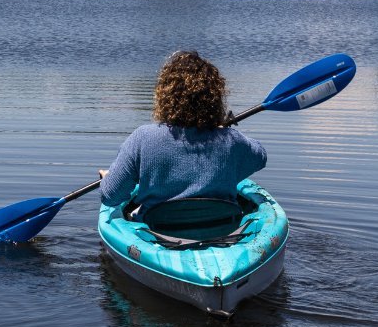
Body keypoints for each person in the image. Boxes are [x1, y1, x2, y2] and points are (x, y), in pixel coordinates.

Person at [99, 50, 267, 216]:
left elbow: (110, 197)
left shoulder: (142, 138)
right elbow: (260, 157)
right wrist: (222, 133)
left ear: (165, 96)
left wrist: (109, 178)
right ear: (214, 98)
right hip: (222, 233)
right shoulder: (231, 140)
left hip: (158, 234)